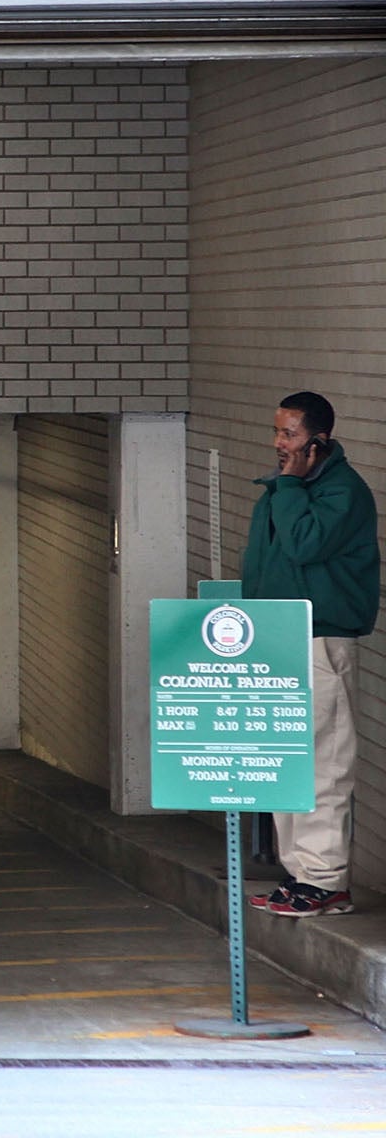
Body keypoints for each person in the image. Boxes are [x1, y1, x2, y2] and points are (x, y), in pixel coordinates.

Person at [242, 391, 377, 918]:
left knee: (323, 765)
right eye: (277, 432)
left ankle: (324, 882)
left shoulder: (342, 492)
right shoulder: (282, 490)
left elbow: (303, 545)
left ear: (318, 440)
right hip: (279, 640)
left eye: (290, 435)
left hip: (321, 640)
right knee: (286, 765)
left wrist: (292, 484)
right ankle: (299, 874)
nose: (279, 444)